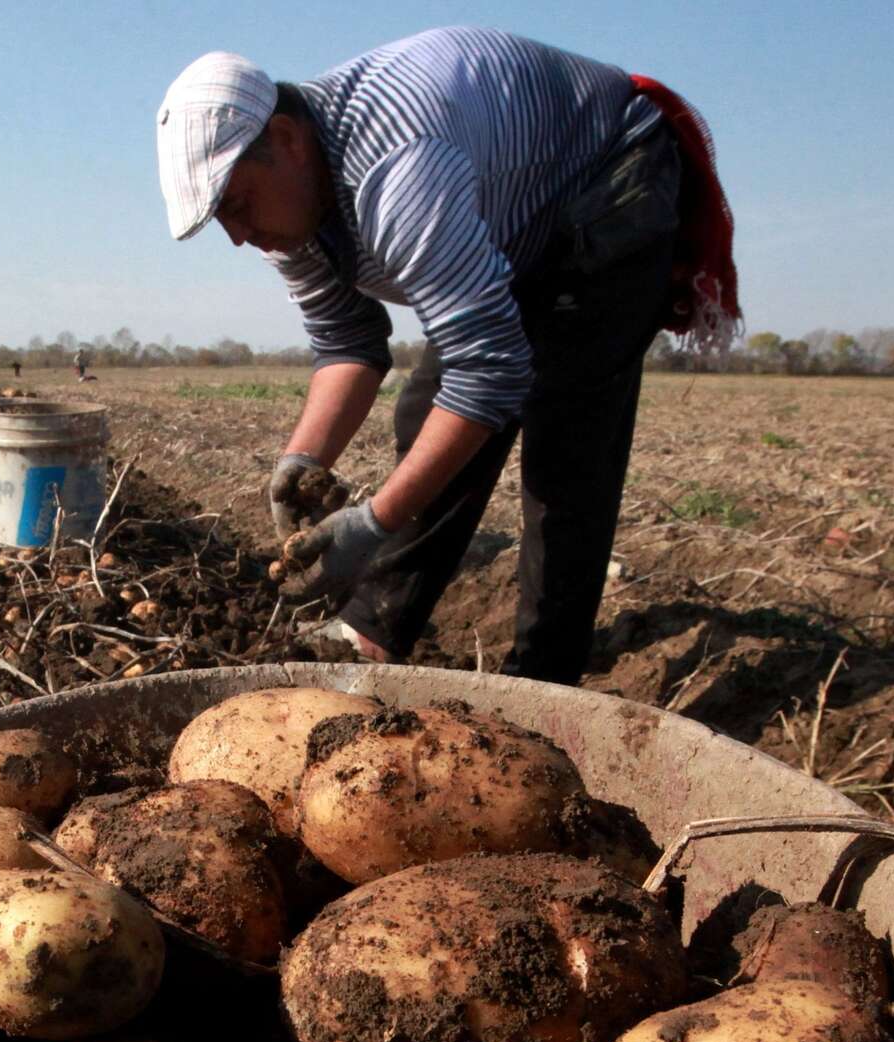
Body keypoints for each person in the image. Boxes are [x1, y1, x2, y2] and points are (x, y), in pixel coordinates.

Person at [157, 30, 737, 683]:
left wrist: (373, 522)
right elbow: (346, 341)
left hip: (607, 181)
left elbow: (489, 371)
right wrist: (302, 461)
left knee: (565, 451)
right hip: (515, 219)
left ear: (288, 140)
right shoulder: (291, 208)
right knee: (428, 414)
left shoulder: (397, 172)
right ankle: (372, 630)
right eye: (221, 220)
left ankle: (544, 678)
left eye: (236, 205)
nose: (237, 236)